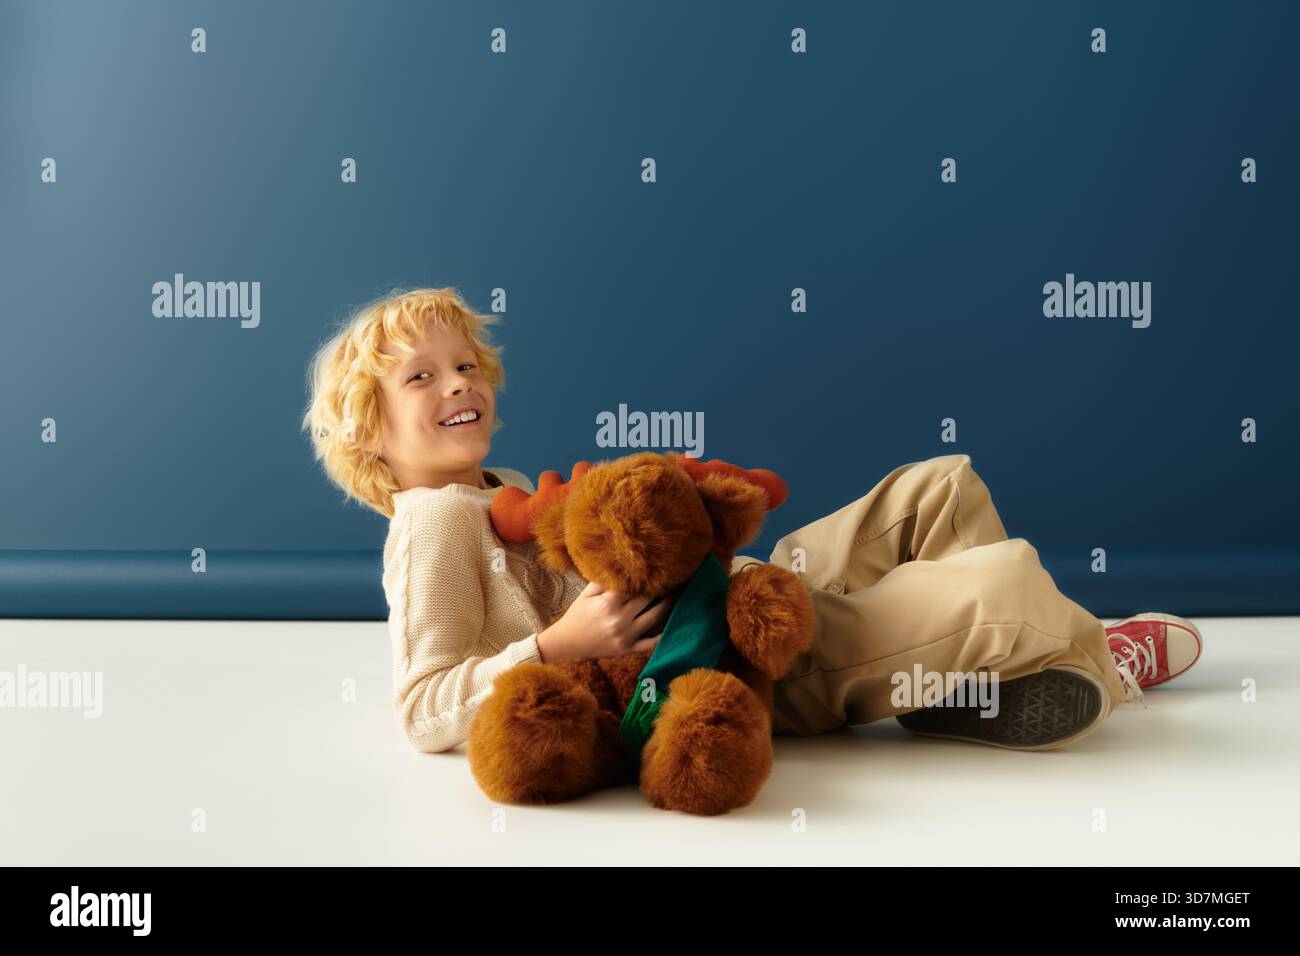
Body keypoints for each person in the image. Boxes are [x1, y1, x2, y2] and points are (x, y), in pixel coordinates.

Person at [302, 286, 1201, 755]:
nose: (459, 382)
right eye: (420, 377)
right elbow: (423, 710)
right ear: (367, 428)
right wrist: (557, 647)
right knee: (1005, 582)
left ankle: (950, 688)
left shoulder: (496, 487)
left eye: (465, 364)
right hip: (725, 671)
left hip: (732, 600)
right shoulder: (430, 526)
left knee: (940, 484)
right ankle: (1094, 659)